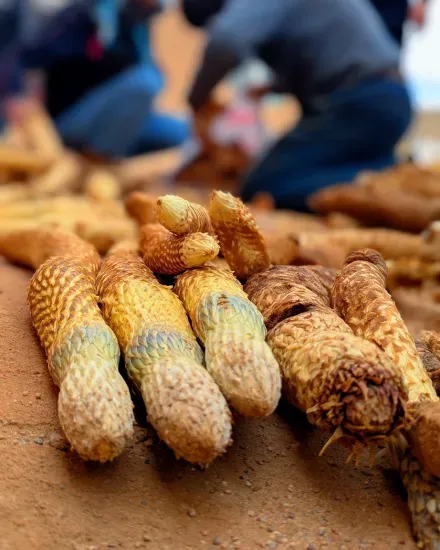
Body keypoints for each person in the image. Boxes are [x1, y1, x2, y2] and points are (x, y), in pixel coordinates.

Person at [181, 0, 413, 211]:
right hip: (383, 100)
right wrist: (270, 87)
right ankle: (382, 171)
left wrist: (196, 98)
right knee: (291, 171)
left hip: (361, 103)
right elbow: (323, 51)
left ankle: (387, 179)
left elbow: (226, 41)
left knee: (264, 185)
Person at [0, 0, 189, 158]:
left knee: (182, 131)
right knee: (146, 83)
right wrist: (17, 94)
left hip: (117, 120)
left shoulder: (138, 27)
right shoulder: (84, 15)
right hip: (71, 122)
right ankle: (99, 163)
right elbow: (19, 57)